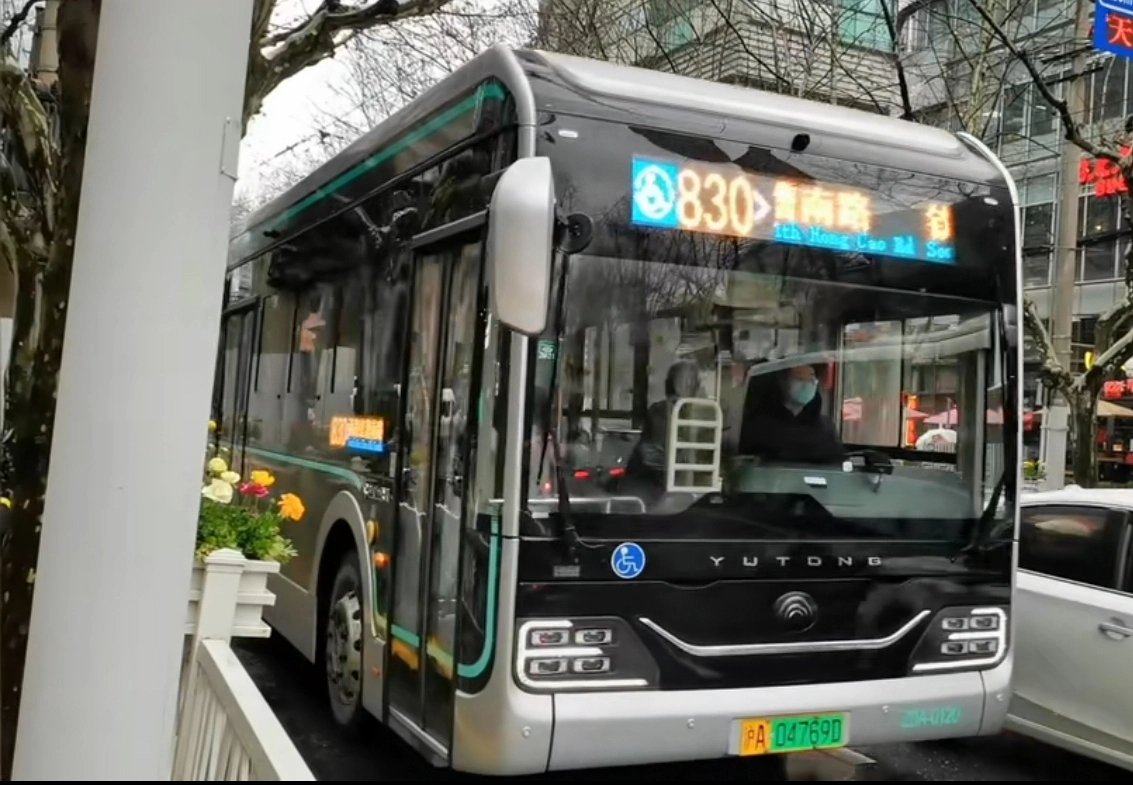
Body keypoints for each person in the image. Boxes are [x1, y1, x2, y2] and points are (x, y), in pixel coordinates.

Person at [738, 363, 845, 465]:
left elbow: (837, 465)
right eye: (799, 378)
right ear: (782, 381)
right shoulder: (759, 425)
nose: (807, 384)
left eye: (811, 379)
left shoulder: (825, 428)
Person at [625, 360, 702, 485]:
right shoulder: (663, 411)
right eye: (689, 381)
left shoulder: (684, 410)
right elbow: (663, 448)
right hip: (649, 477)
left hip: (653, 476)